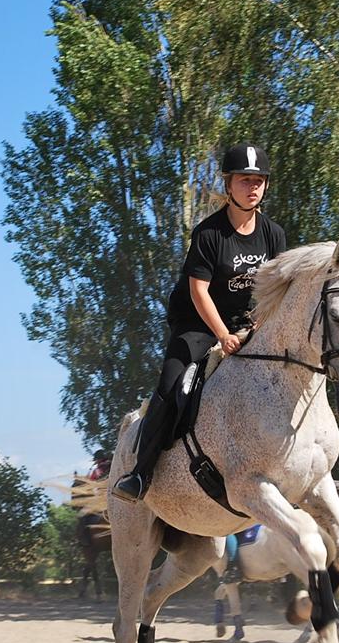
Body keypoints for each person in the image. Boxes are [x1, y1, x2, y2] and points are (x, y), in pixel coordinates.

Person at [113, 143, 287, 502]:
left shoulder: (273, 234)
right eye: (244, 180)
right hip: (198, 323)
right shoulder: (209, 234)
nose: (252, 187)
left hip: (245, 322)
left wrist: (257, 325)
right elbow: (198, 292)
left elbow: (273, 292)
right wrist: (223, 336)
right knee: (171, 385)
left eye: (258, 181)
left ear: (265, 186)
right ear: (228, 184)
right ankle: (141, 475)